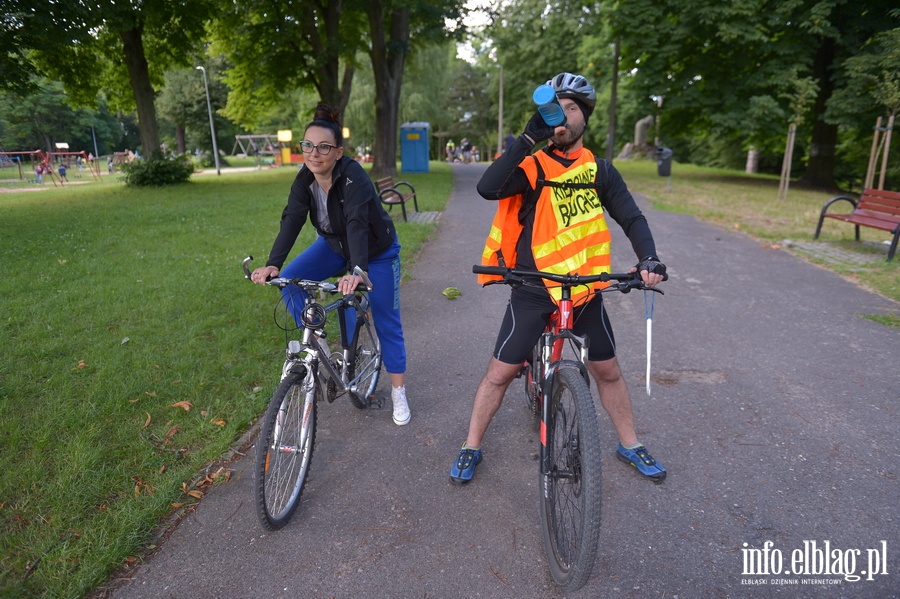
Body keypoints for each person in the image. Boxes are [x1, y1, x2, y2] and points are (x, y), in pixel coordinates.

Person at [449, 72, 667, 484]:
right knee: (499, 373)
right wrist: (527, 138)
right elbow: (487, 187)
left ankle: (630, 442)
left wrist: (649, 259)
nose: (562, 117)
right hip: (534, 287)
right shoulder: (533, 164)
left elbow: (631, 217)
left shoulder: (600, 170)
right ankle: (470, 445)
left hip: (583, 290)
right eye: (555, 109)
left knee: (609, 371)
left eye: (571, 109)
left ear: (585, 117)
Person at [250, 103, 411, 426]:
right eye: (308, 145)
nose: (314, 153)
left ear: (338, 152)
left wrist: (357, 271)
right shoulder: (304, 179)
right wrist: (273, 264)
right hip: (334, 246)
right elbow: (292, 218)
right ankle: (318, 338)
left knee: (385, 318)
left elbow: (356, 223)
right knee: (291, 280)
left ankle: (398, 392)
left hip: (375, 251)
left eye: (323, 147)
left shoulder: (354, 177)